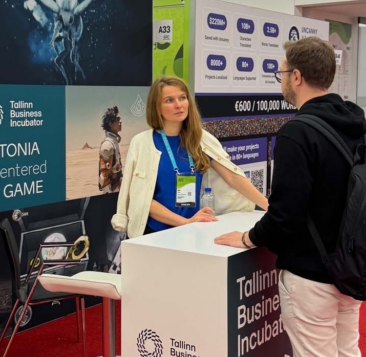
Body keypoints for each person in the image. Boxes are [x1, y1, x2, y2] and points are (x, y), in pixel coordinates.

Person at [215, 38, 366, 357]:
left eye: (282, 72)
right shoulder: (355, 121)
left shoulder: (298, 132)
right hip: (350, 269)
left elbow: (284, 218)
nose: (281, 79)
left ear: (297, 77)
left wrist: (247, 237)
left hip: (311, 276)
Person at [112, 75, 268, 237]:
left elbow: (233, 177)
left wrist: (270, 208)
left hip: (193, 230)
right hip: (154, 234)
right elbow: (142, 198)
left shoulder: (201, 139)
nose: (178, 105)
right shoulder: (142, 143)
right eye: (169, 100)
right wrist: (185, 222)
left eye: (182, 98)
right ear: (156, 107)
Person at [98, 106, 123, 193]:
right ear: (110, 124)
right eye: (117, 119)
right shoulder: (107, 146)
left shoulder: (114, 142)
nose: (120, 121)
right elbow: (104, 178)